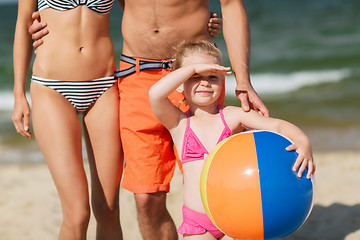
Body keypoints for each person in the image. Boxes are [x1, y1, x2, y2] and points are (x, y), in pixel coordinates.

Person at [29, 1, 269, 239]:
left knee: (212, 187)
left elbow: (231, 6)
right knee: (146, 198)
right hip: (137, 74)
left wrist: (243, 79)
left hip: (197, 76)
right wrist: (42, 25)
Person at [149, 40, 315, 239]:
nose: (205, 82)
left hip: (237, 216)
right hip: (198, 222)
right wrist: (192, 67)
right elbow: (155, 95)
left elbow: (277, 126)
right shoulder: (179, 122)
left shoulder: (232, 116)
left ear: (221, 81)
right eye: (195, 77)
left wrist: (302, 140)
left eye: (212, 76)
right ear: (179, 85)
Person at [12, 0, 124, 239]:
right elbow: (23, 25)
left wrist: (199, 24)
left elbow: (143, 14)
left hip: (103, 86)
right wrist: (18, 93)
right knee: (77, 213)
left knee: (109, 210)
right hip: (52, 88)